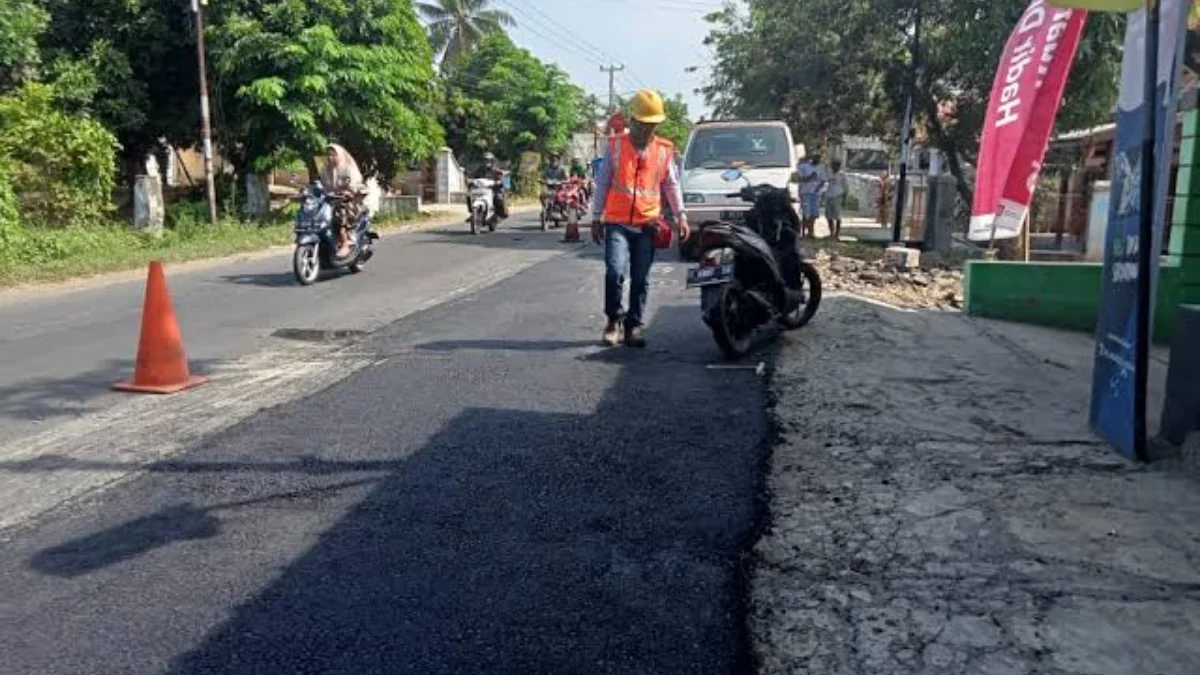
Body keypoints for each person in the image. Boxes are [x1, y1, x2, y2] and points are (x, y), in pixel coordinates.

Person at [591, 89, 690, 348]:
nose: (647, 130)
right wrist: (595, 217)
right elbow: (602, 183)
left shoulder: (663, 150)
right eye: (643, 125)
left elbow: (671, 185)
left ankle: (633, 325)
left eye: (652, 125)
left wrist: (681, 216)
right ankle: (614, 321)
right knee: (614, 272)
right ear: (632, 120)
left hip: (647, 224)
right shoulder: (614, 146)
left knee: (641, 277)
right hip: (617, 223)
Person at [320, 143, 365, 258]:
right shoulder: (325, 170)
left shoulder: (348, 168)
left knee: (339, 214)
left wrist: (349, 191)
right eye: (328, 155)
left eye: (333, 155)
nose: (330, 158)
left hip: (349, 201)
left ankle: (345, 243)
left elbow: (355, 184)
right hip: (330, 201)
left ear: (339, 155)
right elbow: (320, 185)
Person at [468, 152, 507, 220]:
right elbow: (473, 177)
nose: (487, 162)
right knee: (469, 196)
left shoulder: (496, 170)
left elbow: (503, 177)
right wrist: (470, 180)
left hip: (494, 189)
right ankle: (473, 213)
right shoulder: (480, 170)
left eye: (489, 160)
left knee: (498, 198)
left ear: (492, 161)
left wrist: (499, 181)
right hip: (481, 189)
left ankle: (498, 214)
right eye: (485, 160)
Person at [796, 153, 826, 239]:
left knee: (814, 214)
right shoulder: (804, 166)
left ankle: (811, 232)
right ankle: (802, 232)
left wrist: (818, 188)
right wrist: (810, 176)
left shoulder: (821, 168)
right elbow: (801, 179)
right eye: (816, 157)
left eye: (819, 158)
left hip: (816, 194)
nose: (817, 159)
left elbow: (823, 180)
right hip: (806, 192)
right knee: (806, 214)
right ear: (812, 157)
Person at [825, 158, 849, 240]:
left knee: (837, 216)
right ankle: (831, 232)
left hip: (837, 197)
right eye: (833, 165)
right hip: (829, 196)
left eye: (835, 165)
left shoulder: (842, 175)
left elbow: (846, 188)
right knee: (828, 216)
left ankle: (837, 234)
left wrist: (844, 199)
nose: (833, 167)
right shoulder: (829, 173)